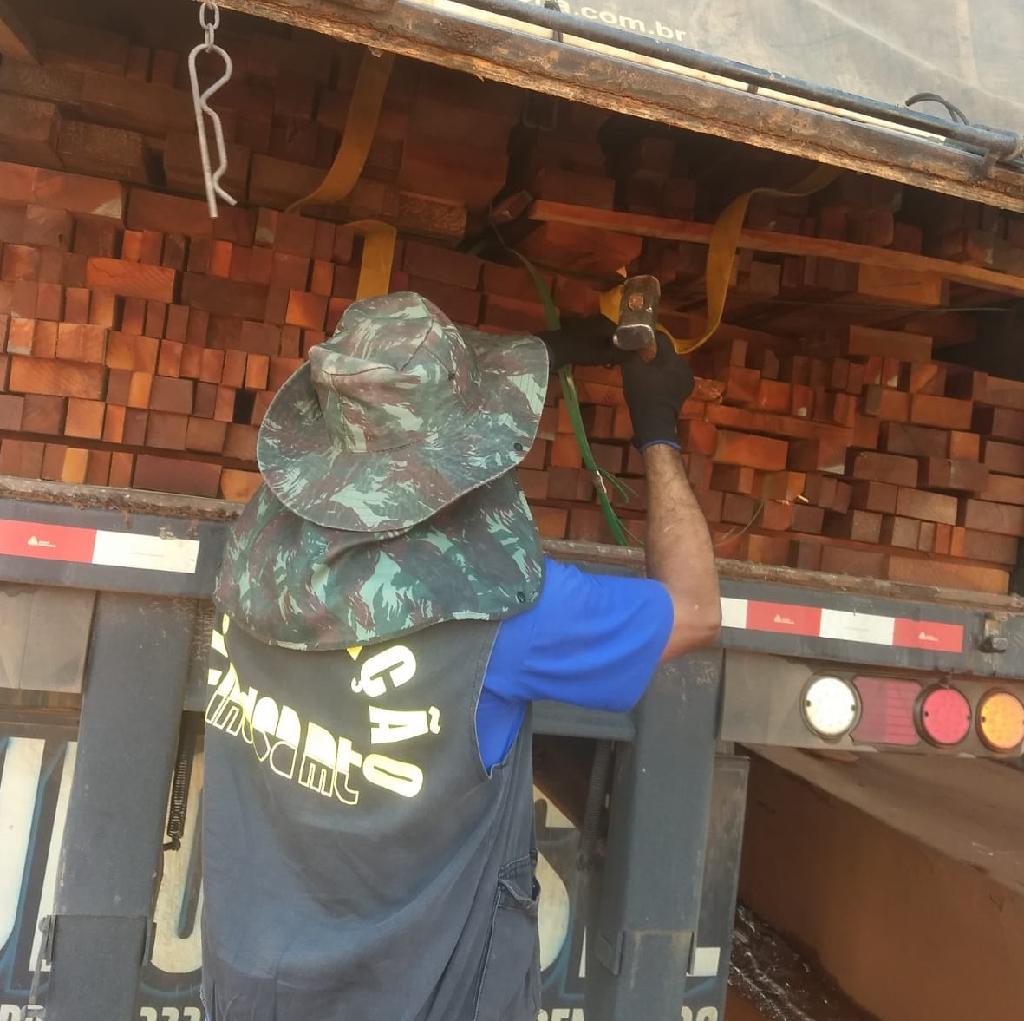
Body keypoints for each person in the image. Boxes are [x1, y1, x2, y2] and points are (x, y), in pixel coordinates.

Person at [202, 291, 720, 1021]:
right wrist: (657, 427)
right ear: (464, 448)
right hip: (419, 999)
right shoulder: (507, 612)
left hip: (254, 985)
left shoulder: (256, 542)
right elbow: (695, 610)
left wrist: (551, 350)